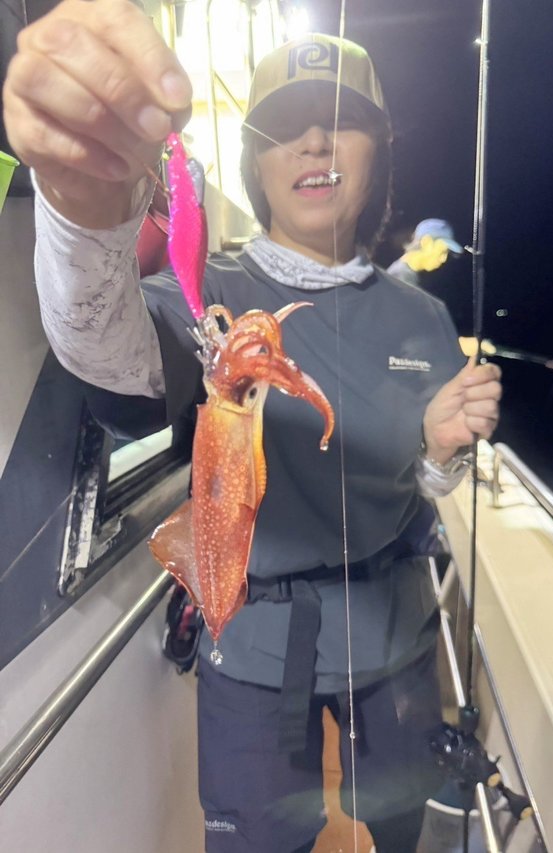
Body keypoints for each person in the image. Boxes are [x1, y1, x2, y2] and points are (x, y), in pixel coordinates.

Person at [3, 3, 502, 851]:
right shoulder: (208, 293)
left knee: (403, 823)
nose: (314, 141)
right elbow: (112, 356)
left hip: (395, 635)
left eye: (342, 122)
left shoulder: (421, 318)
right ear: (255, 159)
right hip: (255, 644)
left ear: (378, 153)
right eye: (285, 124)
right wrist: (83, 206)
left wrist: (438, 450)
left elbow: (423, 484)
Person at [387, 218, 464, 287]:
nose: (443, 259)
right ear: (426, 242)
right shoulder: (398, 279)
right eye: (442, 252)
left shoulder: (407, 276)